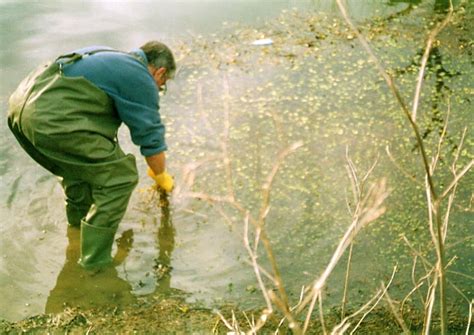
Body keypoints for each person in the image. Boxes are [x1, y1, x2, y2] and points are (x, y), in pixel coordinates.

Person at [7, 41, 175, 269]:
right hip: (51, 117)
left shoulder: (109, 56)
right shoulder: (140, 76)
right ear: (160, 71)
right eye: (161, 85)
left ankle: (76, 235)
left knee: (78, 174)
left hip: (21, 109)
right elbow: (151, 138)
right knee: (120, 178)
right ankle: (96, 264)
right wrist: (161, 176)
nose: (157, 90)